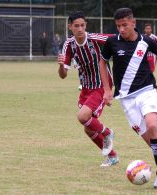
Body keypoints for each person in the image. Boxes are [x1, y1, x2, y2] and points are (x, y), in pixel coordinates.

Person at [99, 8, 157, 189]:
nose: (122, 29)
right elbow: (103, 62)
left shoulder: (146, 41)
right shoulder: (111, 42)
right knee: (150, 139)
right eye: (118, 26)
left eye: (125, 25)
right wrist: (107, 89)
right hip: (125, 98)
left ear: (133, 23)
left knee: (152, 125)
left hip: (147, 90)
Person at [57, 11, 118, 167]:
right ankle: (112, 156)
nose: (80, 29)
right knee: (89, 129)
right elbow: (63, 75)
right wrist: (61, 65)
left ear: (86, 26)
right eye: (76, 26)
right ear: (70, 27)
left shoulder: (95, 39)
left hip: (100, 85)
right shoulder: (68, 45)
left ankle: (107, 133)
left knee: (83, 117)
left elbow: (116, 40)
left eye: (82, 25)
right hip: (85, 88)